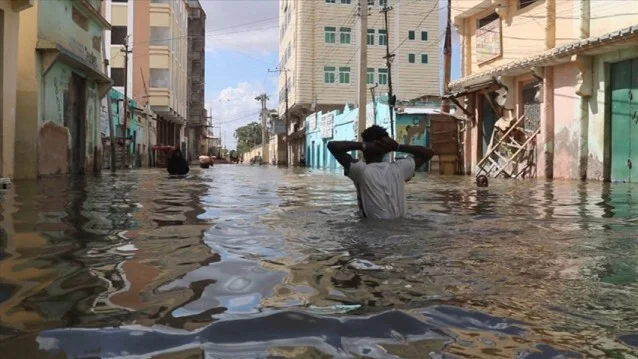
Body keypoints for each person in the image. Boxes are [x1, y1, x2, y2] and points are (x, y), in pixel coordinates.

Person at [327, 125, 434, 219]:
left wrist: (364, 146)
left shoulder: (360, 170)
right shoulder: (399, 168)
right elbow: (428, 153)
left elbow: (332, 146)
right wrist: (398, 147)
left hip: (370, 234)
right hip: (400, 233)